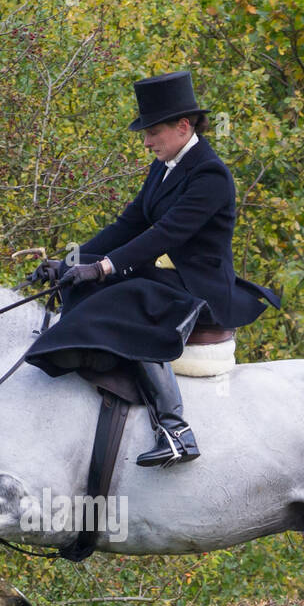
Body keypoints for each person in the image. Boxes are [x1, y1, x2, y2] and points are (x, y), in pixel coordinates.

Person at [25, 70, 280, 466]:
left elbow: (164, 234)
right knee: (85, 283)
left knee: (128, 295)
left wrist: (106, 268)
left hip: (202, 290)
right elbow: (129, 224)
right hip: (169, 278)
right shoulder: (164, 166)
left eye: (152, 132)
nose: (146, 142)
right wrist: (72, 262)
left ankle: (176, 430)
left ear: (183, 126)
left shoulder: (210, 175)